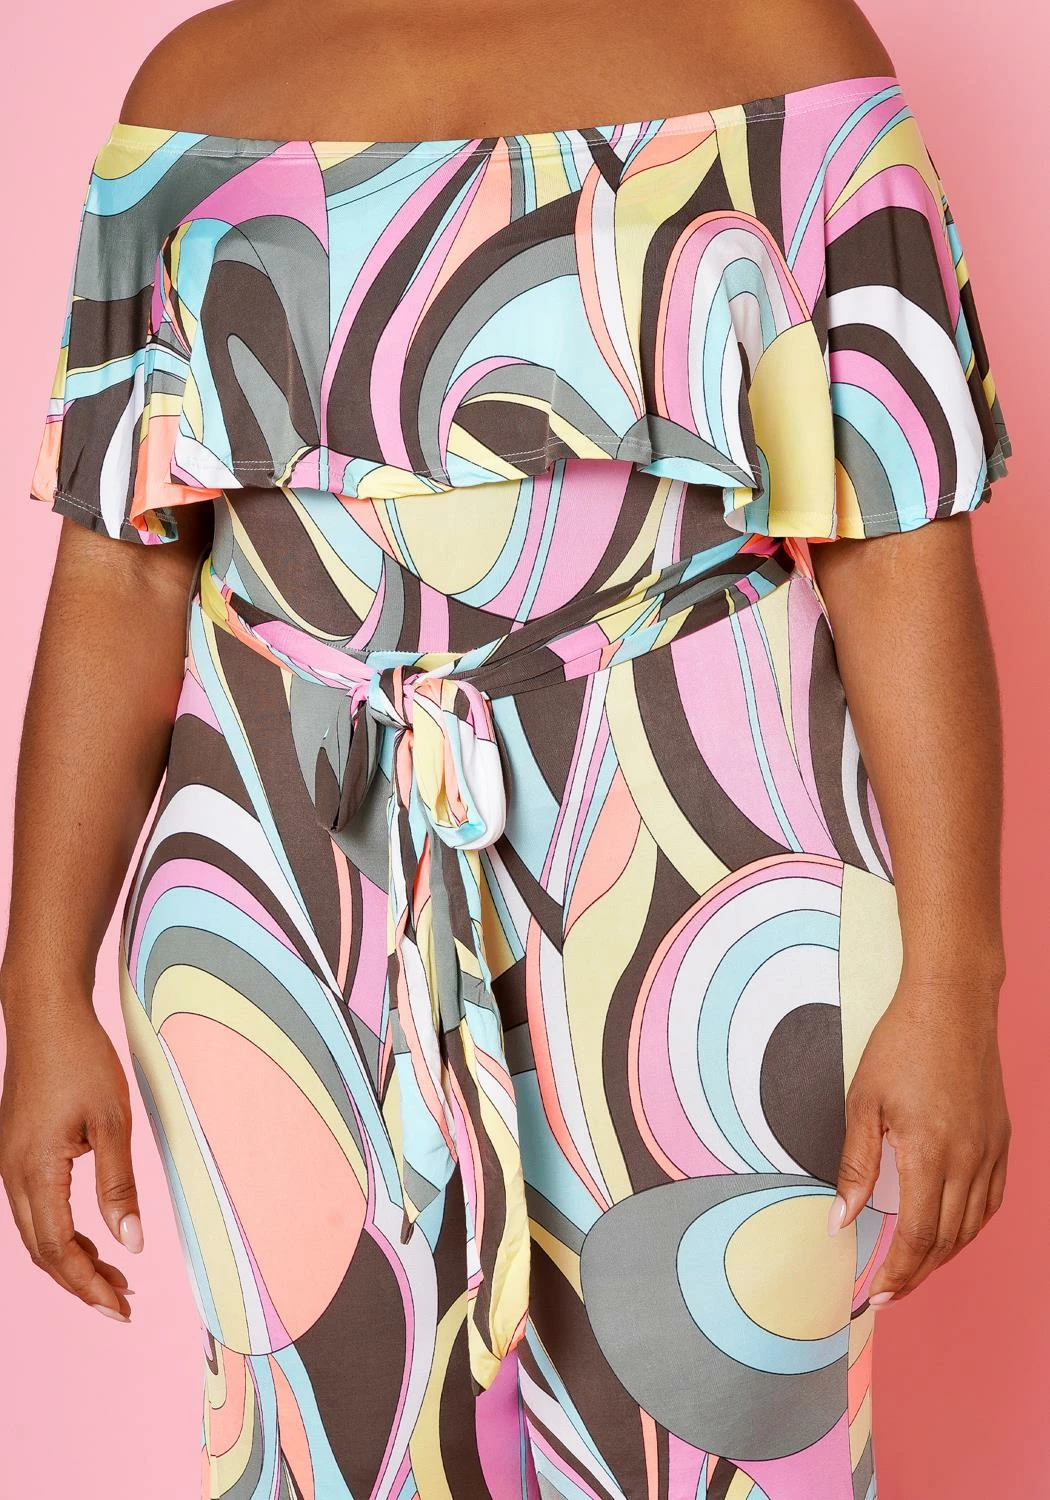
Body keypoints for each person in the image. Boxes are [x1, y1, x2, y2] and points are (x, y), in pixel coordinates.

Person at [1, 0, 1014, 1495]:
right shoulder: (192, 95)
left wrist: (952, 985)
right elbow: (121, 573)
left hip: (719, 878)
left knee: (725, 1436)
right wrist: (40, 989)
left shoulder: (785, 53)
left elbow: (898, 543)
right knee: (326, 1445)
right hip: (282, 891)